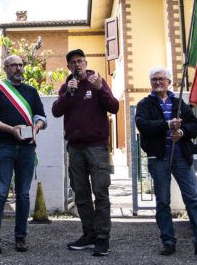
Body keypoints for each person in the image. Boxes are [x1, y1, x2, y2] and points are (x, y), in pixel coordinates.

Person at [134, 66, 197, 259]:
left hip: (181, 157)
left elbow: (194, 126)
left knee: (193, 199)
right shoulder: (145, 104)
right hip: (159, 159)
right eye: (154, 79)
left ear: (169, 82)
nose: (158, 82)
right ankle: (168, 241)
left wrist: (181, 132)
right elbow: (143, 125)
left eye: (161, 79)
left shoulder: (179, 103)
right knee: (163, 201)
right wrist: (166, 125)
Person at [51, 49, 118, 257]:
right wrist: (68, 94)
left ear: (86, 63)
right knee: (81, 194)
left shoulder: (97, 81)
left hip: (97, 147)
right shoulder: (67, 86)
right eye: (73, 62)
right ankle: (88, 234)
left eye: (80, 61)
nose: (77, 65)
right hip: (75, 147)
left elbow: (114, 107)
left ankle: (102, 238)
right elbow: (55, 111)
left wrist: (100, 90)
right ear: (69, 67)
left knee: (101, 192)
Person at [0, 54, 47, 254]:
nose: (19, 68)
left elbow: (41, 117)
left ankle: (21, 238)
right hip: (4, 147)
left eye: (20, 65)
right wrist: (11, 130)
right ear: (6, 69)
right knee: (0, 193)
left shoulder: (31, 91)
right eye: (14, 65)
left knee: (24, 195)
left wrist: (36, 128)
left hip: (27, 148)